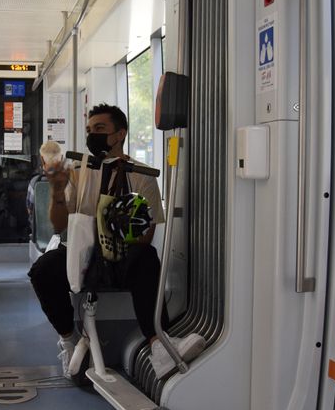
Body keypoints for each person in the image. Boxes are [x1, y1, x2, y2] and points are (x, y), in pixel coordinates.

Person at [28, 104, 206, 379]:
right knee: (43, 270)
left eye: (100, 129)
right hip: (82, 254)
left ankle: (159, 343)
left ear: (120, 133)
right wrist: (56, 190)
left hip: (120, 255)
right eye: (89, 130)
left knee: (146, 257)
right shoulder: (78, 172)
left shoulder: (142, 176)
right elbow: (59, 224)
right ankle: (68, 339)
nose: (92, 135)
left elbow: (145, 235)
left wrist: (120, 220)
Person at [26, 140, 63, 240]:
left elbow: (30, 210)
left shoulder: (35, 183)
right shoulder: (72, 181)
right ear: (61, 158)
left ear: (42, 159)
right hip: (66, 237)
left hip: (40, 236)